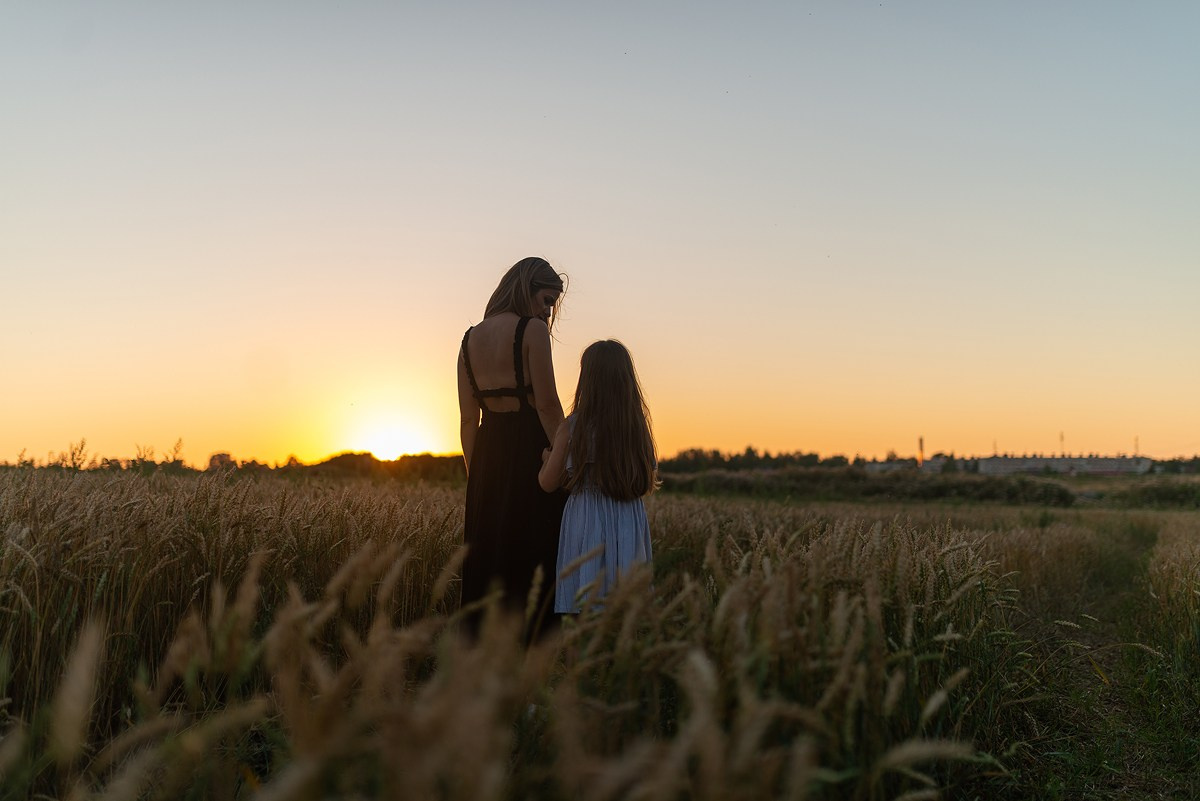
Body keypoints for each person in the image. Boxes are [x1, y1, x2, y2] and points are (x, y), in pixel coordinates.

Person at [458, 256, 568, 638]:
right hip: (530, 454)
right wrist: (565, 460)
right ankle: (532, 655)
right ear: (525, 289)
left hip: (487, 457)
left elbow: (468, 420)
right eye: (546, 300)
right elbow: (547, 405)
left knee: (488, 559)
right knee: (533, 556)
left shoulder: (468, 339)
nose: (547, 311)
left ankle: (484, 655)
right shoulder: (532, 331)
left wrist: (477, 478)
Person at [538, 340, 657, 613]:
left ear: (587, 380)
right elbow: (648, 470)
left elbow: (548, 482)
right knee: (625, 603)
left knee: (585, 599)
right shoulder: (636, 426)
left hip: (587, 516)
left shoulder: (573, 426)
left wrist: (546, 460)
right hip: (628, 515)